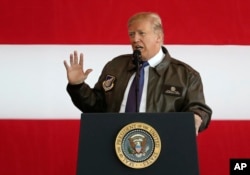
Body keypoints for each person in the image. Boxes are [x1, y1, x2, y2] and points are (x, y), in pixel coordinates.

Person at [63, 12, 212, 135]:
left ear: (158, 37)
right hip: (114, 143)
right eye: (131, 34)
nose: (135, 39)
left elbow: (198, 109)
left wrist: (197, 118)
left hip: (163, 148)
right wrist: (77, 86)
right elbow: (96, 107)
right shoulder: (115, 66)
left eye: (141, 33)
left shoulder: (186, 75)